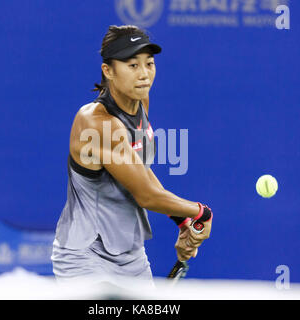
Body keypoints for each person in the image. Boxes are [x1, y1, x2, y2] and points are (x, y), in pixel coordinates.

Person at [51, 25, 213, 287]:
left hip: (130, 256)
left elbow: (140, 171)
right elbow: (146, 196)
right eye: (132, 65)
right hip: (85, 257)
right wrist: (201, 212)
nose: (144, 74)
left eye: (149, 63)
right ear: (108, 71)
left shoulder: (140, 101)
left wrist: (182, 219)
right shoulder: (96, 122)